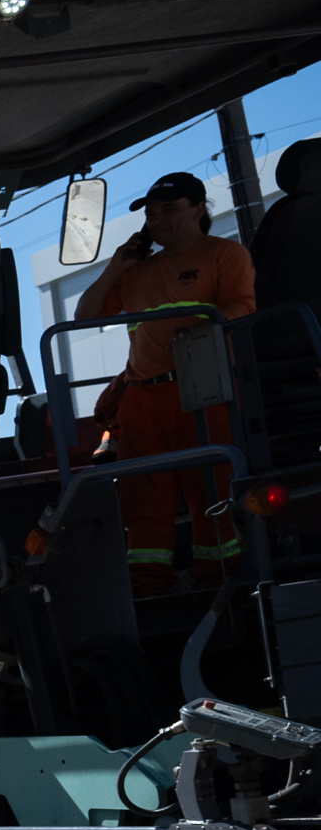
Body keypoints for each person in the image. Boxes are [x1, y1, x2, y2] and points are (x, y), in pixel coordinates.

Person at [75, 171, 255, 595]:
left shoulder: (225, 255)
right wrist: (115, 267)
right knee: (142, 502)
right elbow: (85, 316)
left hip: (202, 390)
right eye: (152, 214)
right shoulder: (135, 272)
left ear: (198, 210)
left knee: (210, 493)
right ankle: (148, 587)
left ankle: (218, 583)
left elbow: (243, 306)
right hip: (141, 399)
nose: (157, 220)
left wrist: (200, 330)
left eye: (169, 210)